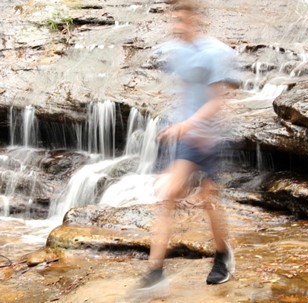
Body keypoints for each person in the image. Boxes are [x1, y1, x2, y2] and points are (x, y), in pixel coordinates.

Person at [135, 0, 239, 299]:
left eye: (180, 20)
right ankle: (155, 273)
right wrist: (175, 123)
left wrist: (188, 123)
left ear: (194, 21)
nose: (175, 26)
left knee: (210, 202)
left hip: (212, 139)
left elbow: (218, 100)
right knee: (168, 196)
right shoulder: (176, 52)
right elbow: (184, 91)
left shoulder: (216, 53)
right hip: (187, 141)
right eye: (173, 20)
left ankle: (223, 254)